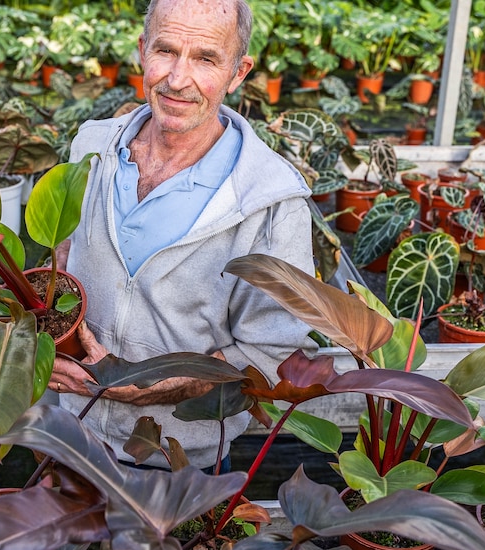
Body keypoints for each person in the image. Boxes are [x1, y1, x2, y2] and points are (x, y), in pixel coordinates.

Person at [48, 0, 315, 472]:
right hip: (69, 432)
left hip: (179, 463)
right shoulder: (92, 146)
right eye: (166, 50)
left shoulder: (271, 203)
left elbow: (272, 354)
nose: (176, 79)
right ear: (142, 51)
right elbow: (64, 258)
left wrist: (151, 386)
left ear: (238, 72)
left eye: (206, 59)